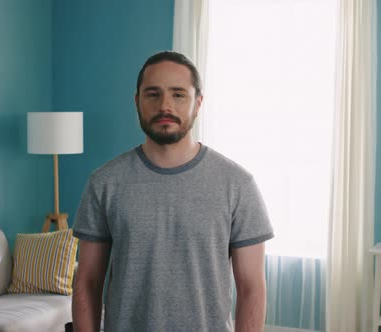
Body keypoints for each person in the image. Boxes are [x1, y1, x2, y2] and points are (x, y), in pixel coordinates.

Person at [72, 51, 274, 332]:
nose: (165, 105)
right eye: (153, 94)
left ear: (198, 103)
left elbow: (252, 287)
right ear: (137, 101)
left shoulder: (238, 185)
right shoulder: (104, 183)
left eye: (178, 94)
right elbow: (87, 281)